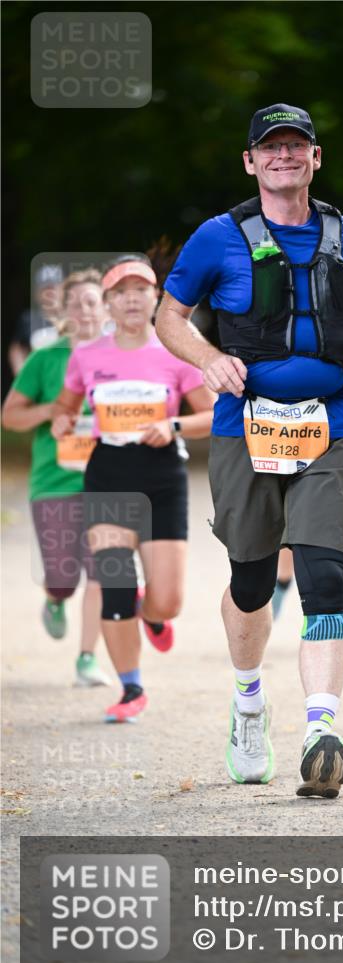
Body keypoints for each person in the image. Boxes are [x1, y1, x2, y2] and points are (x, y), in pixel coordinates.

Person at [156, 103, 343, 797]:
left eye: (297, 146)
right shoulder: (215, 238)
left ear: (315, 158)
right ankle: (249, 701)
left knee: (323, 573)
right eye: (271, 148)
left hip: (332, 423)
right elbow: (171, 316)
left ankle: (321, 730)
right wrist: (206, 359)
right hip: (245, 426)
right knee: (253, 581)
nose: (284, 157)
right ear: (250, 161)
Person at [51, 254, 215, 722]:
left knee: (168, 601)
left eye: (139, 290)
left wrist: (175, 425)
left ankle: (154, 610)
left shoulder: (177, 352)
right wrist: (63, 421)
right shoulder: (87, 355)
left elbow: (210, 416)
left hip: (162, 475)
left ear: (155, 297)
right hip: (109, 475)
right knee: (116, 582)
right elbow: (65, 407)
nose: (130, 300)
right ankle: (130, 688)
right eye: (119, 292)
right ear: (107, 303)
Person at [2, 269, 111, 686]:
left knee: (104, 569)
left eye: (92, 301)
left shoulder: (123, 356)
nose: (85, 309)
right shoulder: (45, 359)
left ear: (106, 307)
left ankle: (86, 659)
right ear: (63, 311)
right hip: (54, 481)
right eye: (76, 302)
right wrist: (51, 411)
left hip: (110, 479)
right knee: (64, 576)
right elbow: (9, 416)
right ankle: (55, 597)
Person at [8, 264, 64, 374]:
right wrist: (22, 376)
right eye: (45, 288)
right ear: (37, 293)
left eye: (54, 288)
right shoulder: (28, 319)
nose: (50, 293)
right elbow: (17, 348)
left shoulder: (75, 317)